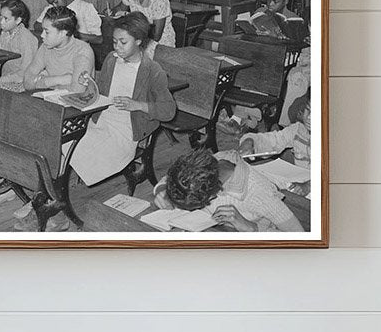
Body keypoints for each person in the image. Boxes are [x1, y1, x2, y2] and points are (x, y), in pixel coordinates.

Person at [68, 12, 176, 189]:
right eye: (114, 41)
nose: (117, 47)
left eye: (123, 42)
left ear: (139, 41)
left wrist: (138, 105)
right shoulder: (112, 59)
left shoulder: (152, 70)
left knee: (81, 152)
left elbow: (168, 111)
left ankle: (56, 193)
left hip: (126, 130)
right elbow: (101, 91)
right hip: (100, 121)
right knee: (66, 144)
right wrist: (89, 83)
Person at [154, 147, 303, 232]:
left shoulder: (259, 193)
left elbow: (299, 239)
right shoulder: (208, 163)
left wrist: (251, 228)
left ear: (213, 196)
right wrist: (163, 191)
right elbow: (171, 177)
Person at [0, 0, 39, 133]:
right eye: (1, 17)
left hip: (22, 81)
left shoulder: (27, 39)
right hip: (5, 77)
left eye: (6, 19)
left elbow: (25, 73)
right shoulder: (5, 33)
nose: (1, 22)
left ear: (18, 20)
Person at [23, 6, 95, 93]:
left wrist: (42, 81)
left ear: (62, 33)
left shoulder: (82, 51)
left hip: (75, 104)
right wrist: (61, 79)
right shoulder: (46, 47)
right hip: (50, 100)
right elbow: (27, 82)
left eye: (47, 32)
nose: (42, 35)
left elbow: (77, 91)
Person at [241, 89, 311, 168]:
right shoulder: (297, 130)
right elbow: (273, 141)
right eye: (308, 109)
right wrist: (250, 141)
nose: (309, 117)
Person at [36, 0, 101, 41]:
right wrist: (54, 28)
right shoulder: (51, 7)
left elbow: (98, 39)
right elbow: (36, 25)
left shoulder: (85, 8)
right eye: (51, 3)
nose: (54, 6)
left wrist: (73, 34)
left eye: (56, 2)